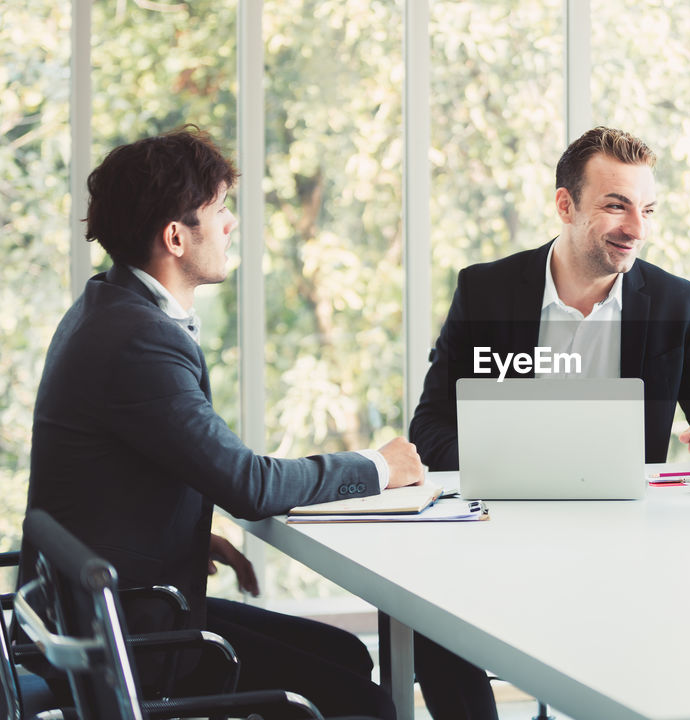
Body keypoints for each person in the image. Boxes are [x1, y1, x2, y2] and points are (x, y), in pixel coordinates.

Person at [21, 125, 423, 719]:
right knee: (361, 700)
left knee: (342, 653)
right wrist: (377, 466)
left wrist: (182, 534)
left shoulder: (107, 306)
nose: (231, 224)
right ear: (176, 236)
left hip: (108, 611)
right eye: (220, 209)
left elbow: (121, 468)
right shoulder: (139, 341)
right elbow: (249, 484)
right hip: (130, 644)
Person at [408, 126, 690, 718]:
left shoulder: (678, 305)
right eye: (616, 205)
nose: (637, 229)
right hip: (503, 533)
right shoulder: (487, 291)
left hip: (628, 549)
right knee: (430, 619)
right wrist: (522, 462)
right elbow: (431, 430)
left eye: (647, 209)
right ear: (565, 205)